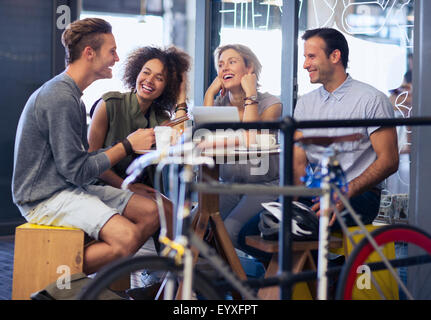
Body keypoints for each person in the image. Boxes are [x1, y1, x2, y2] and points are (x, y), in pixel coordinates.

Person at [11, 18, 165, 275]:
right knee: (126, 238)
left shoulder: (74, 98)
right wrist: (127, 145)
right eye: (112, 51)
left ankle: (91, 281)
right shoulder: (60, 97)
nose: (117, 58)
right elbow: (77, 170)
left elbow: (79, 166)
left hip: (69, 188)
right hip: (42, 198)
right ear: (89, 53)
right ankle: (47, 276)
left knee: (151, 212)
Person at [293, 27, 399, 229]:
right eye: (305, 57)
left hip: (360, 195)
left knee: (294, 232)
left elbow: (390, 160)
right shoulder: (305, 103)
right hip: (317, 193)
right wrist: (290, 202)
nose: (305, 64)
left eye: (311, 56)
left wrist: (345, 192)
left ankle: (318, 260)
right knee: (256, 230)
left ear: (335, 56)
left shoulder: (372, 99)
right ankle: (317, 261)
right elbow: (298, 164)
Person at [88, 46, 190, 209]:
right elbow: (91, 162)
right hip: (103, 186)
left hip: (141, 189)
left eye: (160, 78)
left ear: (167, 87)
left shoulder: (160, 117)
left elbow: (179, 144)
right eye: (146, 72)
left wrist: (181, 97)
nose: (149, 80)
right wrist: (127, 186)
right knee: (165, 210)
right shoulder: (109, 104)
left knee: (173, 209)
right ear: (137, 72)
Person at [203, 44, 282, 247]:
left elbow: (250, 138)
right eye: (220, 65)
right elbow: (203, 137)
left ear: (249, 69)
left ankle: (232, 279)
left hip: (263, 186)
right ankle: (204, 278)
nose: (224, 69)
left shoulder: (272, 104)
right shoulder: (219, 105)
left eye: (232, 62)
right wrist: (210, 95)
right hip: (228, 185)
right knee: (195, 224)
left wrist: (250, 93)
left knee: (230, 230)